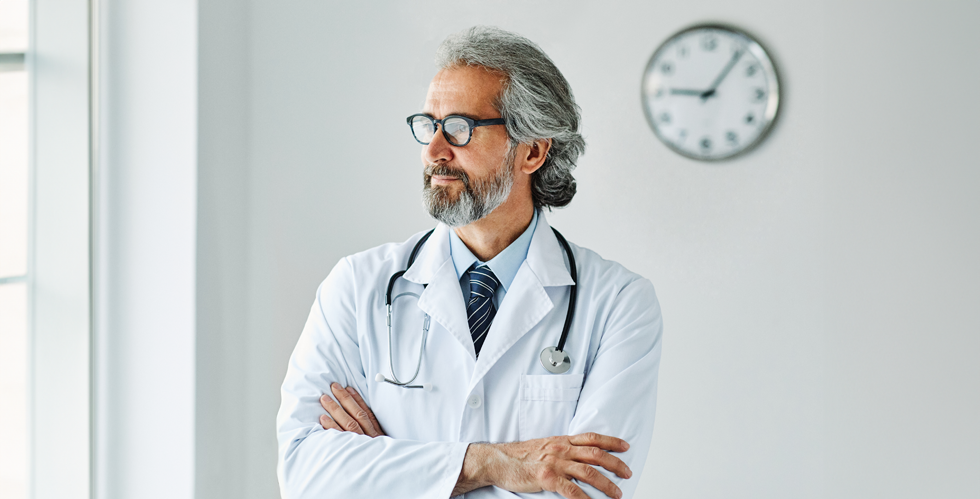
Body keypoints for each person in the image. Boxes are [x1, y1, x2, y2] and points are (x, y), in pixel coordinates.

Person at [276, 26, 663, 499]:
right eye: (428, 125)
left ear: (533, 150)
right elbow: (304, 472)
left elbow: (590, 490)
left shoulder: (618, 304)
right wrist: (491, 464)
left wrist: (394, 467)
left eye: (460, 127)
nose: (434, 151)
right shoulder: (358, 286)